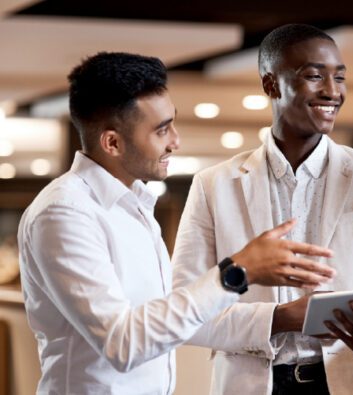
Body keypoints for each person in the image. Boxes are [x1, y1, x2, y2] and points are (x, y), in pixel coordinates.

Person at [17, 52, 336, 395]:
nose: (176, 141)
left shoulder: (134, 206)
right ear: (112, 142)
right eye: (162, 130)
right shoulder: (64, 213)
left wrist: (285, 317)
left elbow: (175, 321)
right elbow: (122, 344)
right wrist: (237, 272)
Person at [172, 24, 353, 395]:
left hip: (349, 383)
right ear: (271, 85)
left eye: (340, 77)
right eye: (315, 76)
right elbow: (184, 312)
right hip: (251, 384)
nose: (332, 92)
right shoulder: (213, 185)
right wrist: (281, 319)